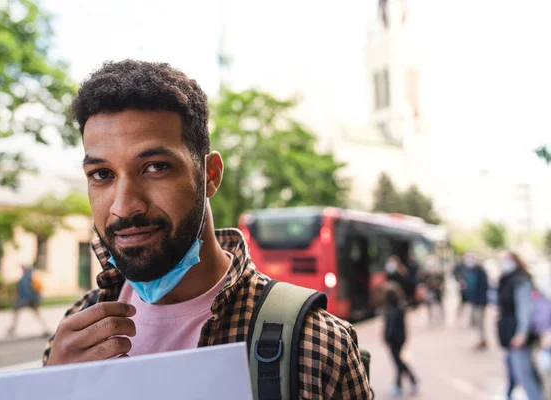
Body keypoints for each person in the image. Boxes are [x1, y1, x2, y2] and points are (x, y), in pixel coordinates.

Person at [41, 60, 370, 399]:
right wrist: (48, 390)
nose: (124, 206)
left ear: (209, 175)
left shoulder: (315, 347)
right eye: (102, 174)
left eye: (155, 167)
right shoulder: (77, 331)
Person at [496, 250, 543, 400]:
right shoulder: (508, 279)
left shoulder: (521, 280)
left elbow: (525, 309)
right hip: (510, 332)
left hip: (519, 334)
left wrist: (522, 333)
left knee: (524, 373)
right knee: (517, 368)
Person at [383, 282, 418, 397]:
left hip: (394, 340)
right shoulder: (400, 307)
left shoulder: (391, 310)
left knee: (398, 363)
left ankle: (408, 382)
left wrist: (387, 338)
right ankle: (402, 384)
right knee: (399, 362)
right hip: (400, 339)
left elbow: (390, 327)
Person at [7, 265, 51, 337]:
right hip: (34, 300)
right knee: (37, 314)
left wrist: (25, 299)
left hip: (27, 300)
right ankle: (46, 329)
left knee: (16, 311)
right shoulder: (32, 276)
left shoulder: (25, 278)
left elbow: (25, 290)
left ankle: (13, 327)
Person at [464, 253, 489, 350]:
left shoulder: (480, 272)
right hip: (475, 301)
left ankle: (482, 340)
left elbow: (483, 287)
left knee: (480, 322)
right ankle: (481, 339)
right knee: (476, 322)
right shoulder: (471, 271)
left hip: (480, 302)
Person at [452, 254, 469, 321]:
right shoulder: (459, 266)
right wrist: (459, 280)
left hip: (469, 287)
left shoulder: (469, 266)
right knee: (462, 300)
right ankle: (459, 313)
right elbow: (455, 273)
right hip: (461, 285)